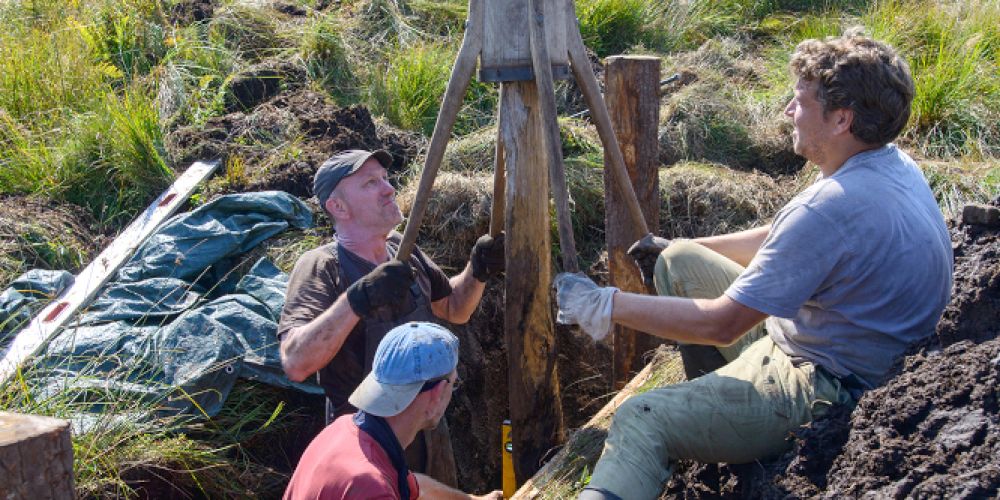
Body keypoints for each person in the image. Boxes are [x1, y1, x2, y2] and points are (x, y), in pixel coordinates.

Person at [554, 35, 953, 500]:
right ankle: (712, 411)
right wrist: (685, 244)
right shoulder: (892, 165)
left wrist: (606, 304)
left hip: (824, 387)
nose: (788, 111)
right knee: (679, 261)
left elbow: (721, 325)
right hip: (852, 351)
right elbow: (786, 240)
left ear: (842, 119)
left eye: (801, 102)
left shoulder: (829, 209)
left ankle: (708, 430)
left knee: (641, 419)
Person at [278, 149, 504, 486]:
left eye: (385, 179)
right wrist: (357, 300)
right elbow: (295, 362)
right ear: (338, 207)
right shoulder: (323, 267)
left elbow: (455, 308)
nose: (388, 189)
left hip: (428, 426)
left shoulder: (403, 247)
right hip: (366, 442)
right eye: (370, 183)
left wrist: (478, 269)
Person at [283, 321, 503, 500]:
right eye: (454, 384)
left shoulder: (344, 429)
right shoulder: (371, 487)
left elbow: (414, 486)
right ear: (438, 393)